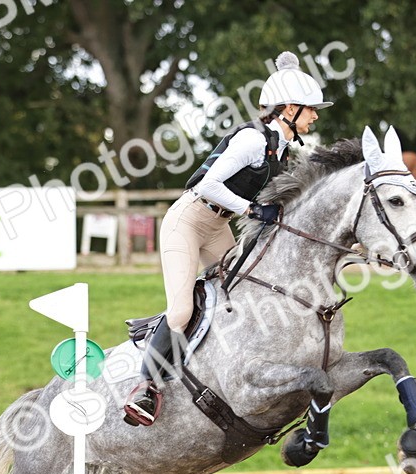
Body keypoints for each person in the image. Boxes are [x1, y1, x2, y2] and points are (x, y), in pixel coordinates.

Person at [122, 51, 331, 426]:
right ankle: (145, 388)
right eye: (311, 109)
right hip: (188, 222)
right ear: (290, 109)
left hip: (218, 227)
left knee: (244, 295)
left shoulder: (280, 150)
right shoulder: (252, 140)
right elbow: (208, 184)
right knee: (181, 310)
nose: (315, 116)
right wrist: (252, 210)